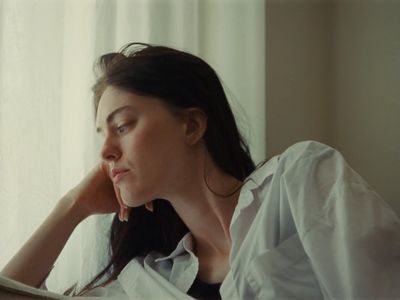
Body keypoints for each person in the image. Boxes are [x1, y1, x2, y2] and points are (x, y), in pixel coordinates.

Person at [1, 43, 400, 300]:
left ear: (191, 125)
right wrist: (72, 206)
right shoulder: (144, 282)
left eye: (122, 126)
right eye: (101, 134)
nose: (106, 151)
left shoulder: (299, 181)